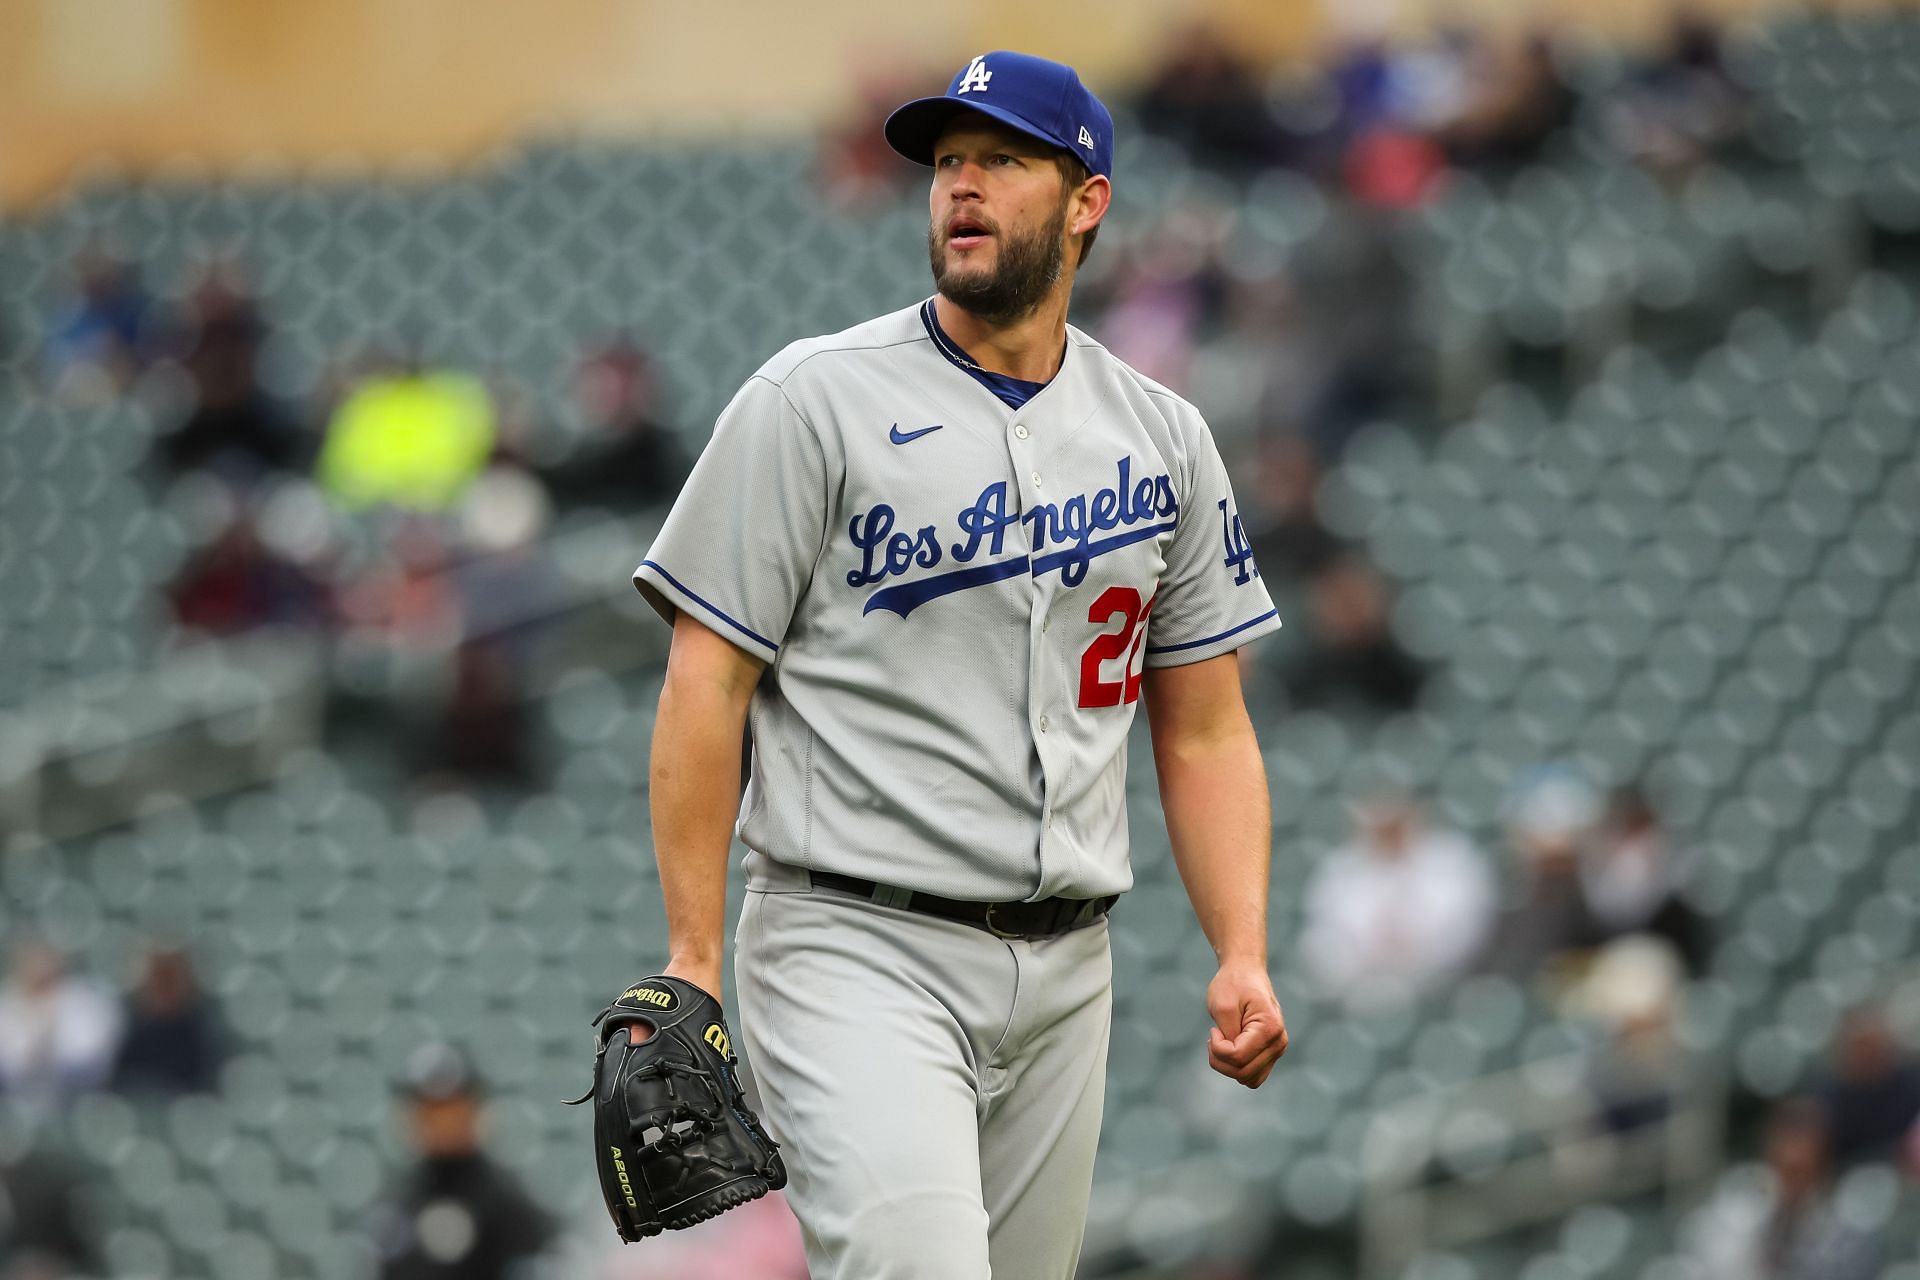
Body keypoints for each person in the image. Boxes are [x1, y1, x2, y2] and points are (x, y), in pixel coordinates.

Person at [625, 51, 1288, 1280]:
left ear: (1087, 199)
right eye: (947, 165)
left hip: (1068, 965)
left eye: (1002, 160)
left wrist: (1239, 945)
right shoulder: (810, 401)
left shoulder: (1164, 435)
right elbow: (703, 680)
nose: (962, 187)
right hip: (851, 937)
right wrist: (693, 953)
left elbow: (1203, 728)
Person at [367, 1046, 554, 1280]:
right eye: (431, 1109)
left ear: (474, 1109)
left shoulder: (509, 1205)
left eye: (452, 1107)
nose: (443, 1120)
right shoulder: (397, 1208)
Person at [1298, 793, 1494, 1006]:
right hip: (1360, 997)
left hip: (1439, 991)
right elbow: (1323, 941)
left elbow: (1463, 931)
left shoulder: (1451, 859)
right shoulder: (1341, 868)